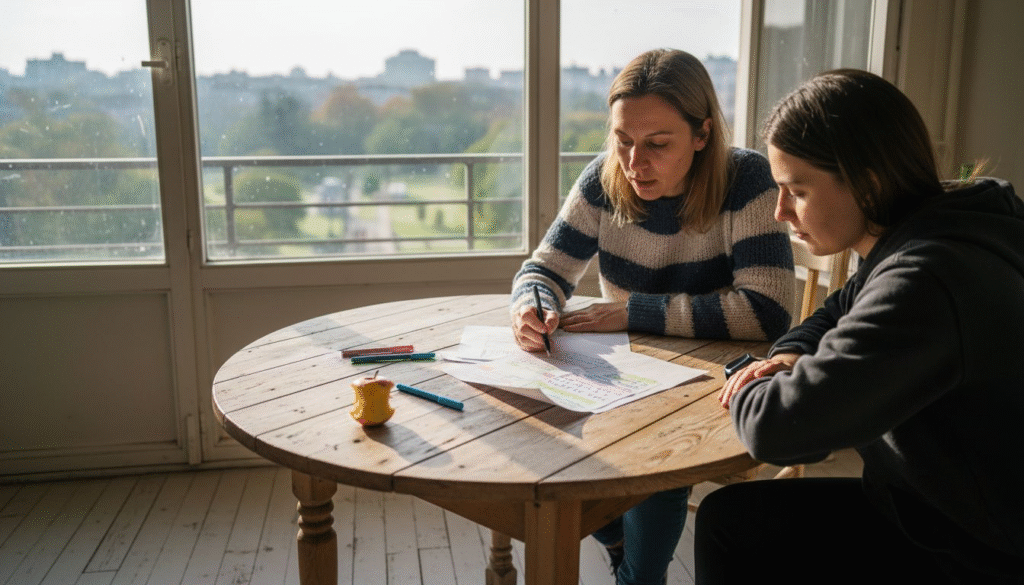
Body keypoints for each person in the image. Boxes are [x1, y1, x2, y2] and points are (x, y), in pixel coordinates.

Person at [697, 69, 1024, 584]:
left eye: (796, 190)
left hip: (971, 548)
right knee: (731, 519)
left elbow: (777, 429)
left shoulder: (925, 279)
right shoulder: (938, 227)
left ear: (868, 183)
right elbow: (834, 310)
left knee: (730, 525)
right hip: (930, 507)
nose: (780, 211)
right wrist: (785, 357)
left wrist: (747, 376)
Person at [510, 48, 794, 585]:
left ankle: (636, 573)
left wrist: (633, 312)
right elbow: (543, 267)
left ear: (703, 133)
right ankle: (621, 545)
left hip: (711, 386)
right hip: (625, 375)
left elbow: (768, 313)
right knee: (543, 435)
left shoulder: (747, 180)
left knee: (655, 466)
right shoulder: (603, 180)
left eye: (657, 145)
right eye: (622, 141)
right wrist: (534, 303)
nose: (634, 163)